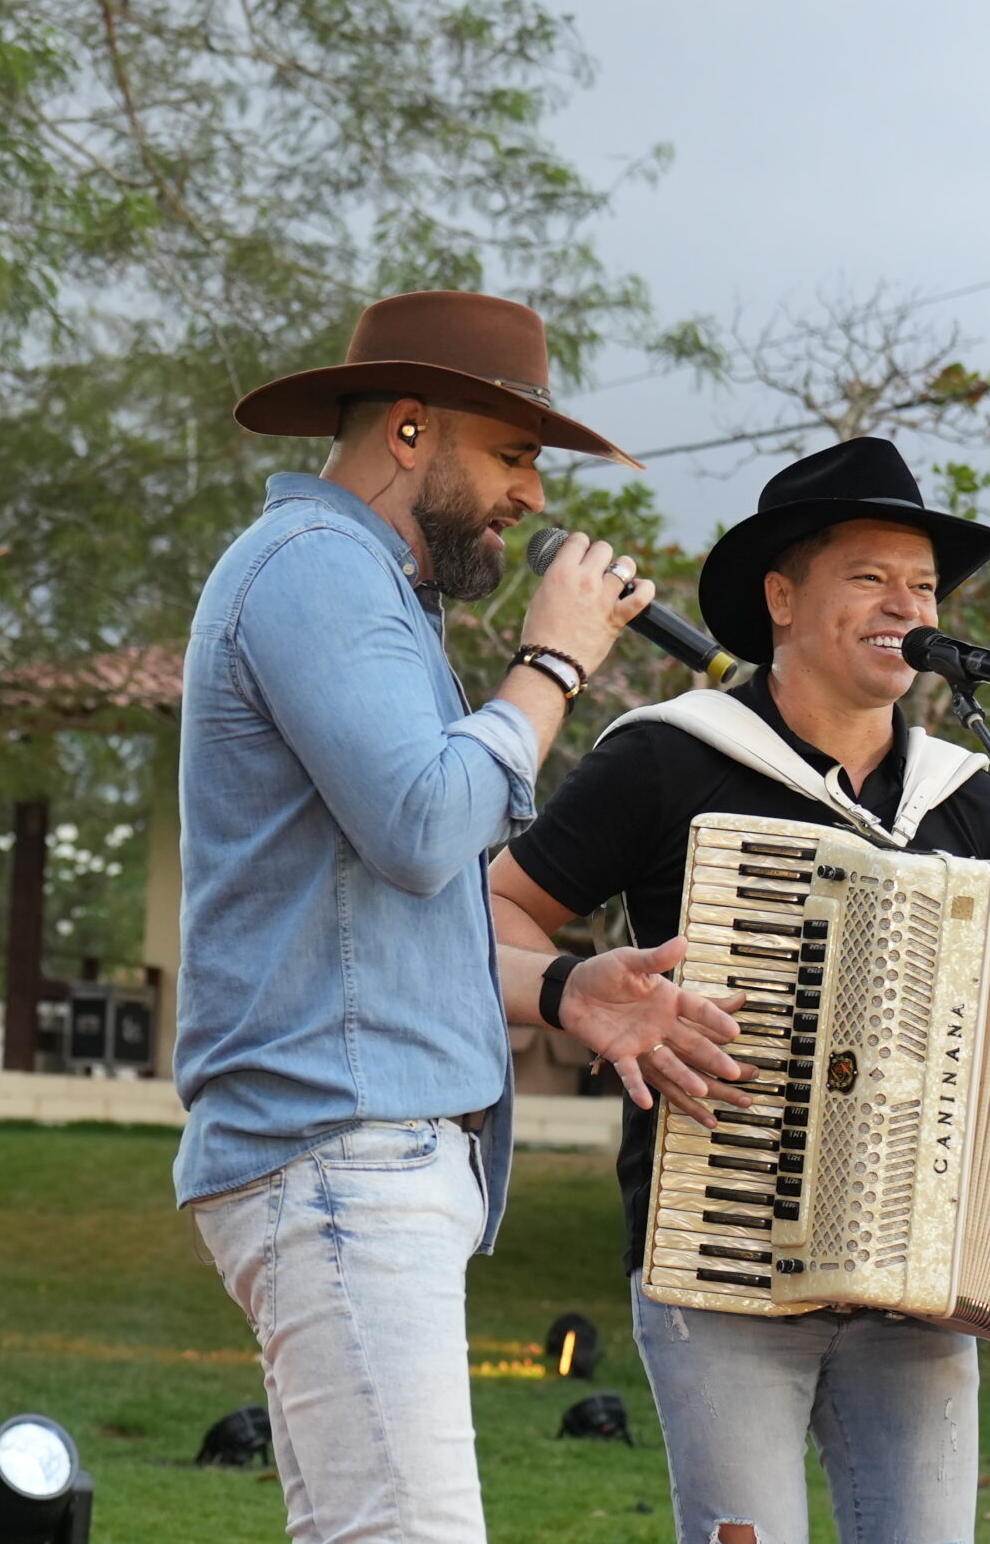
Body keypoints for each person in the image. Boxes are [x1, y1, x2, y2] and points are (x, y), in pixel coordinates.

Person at [488, 436, 990, 1544]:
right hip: (721, 1264)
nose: (905, 605)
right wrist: (578, 985)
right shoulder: (665, 760)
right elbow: (487, 920)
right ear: (780, 597)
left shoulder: (963, 800)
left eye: (923, 585)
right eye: (870, 577)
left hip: (919, 1292)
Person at [175, 290, 751, 1544]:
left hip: (358, 1146)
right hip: (337, 1145)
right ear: (409, 429)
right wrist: (549, 664)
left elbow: (368, 922)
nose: (534, 497)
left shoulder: (365, 593)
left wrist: (561, 990)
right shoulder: (317, 573)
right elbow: (430, 829)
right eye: (512, 455)